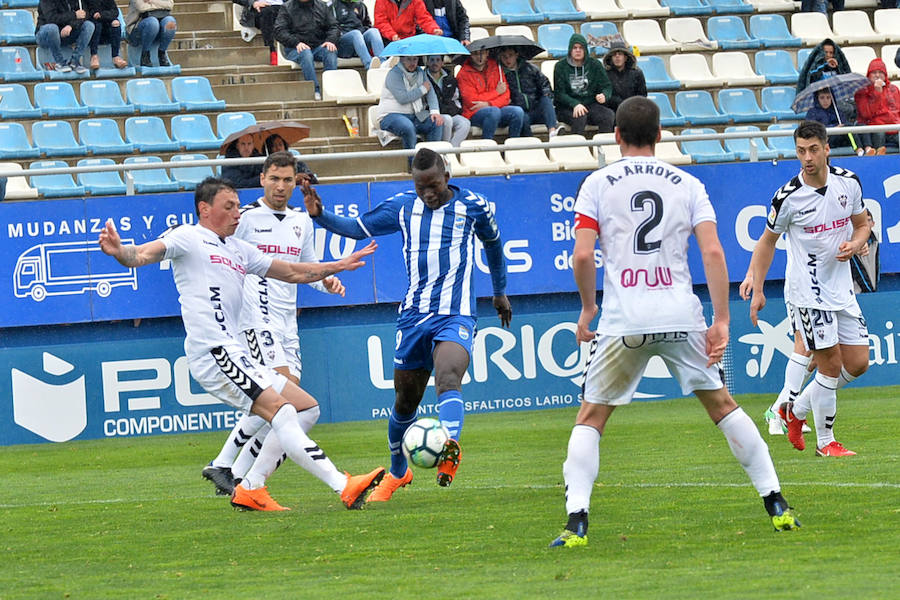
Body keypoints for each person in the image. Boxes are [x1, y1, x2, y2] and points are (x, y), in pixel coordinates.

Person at [551, 96, 798, 548]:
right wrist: (722, 319)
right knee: (723, 407)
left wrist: (588, 309)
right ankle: (776, 501)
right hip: (680, 315)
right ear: (661, 135)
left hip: (624, 319)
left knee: (591, 417)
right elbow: (713, 252)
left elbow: (583, 254)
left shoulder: (598, 183)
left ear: (617, 135)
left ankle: (576, 522)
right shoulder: (687, 183)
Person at [98, 177, 385, 510]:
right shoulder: (187, 237)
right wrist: (120, 252)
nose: (237, 214)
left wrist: (336, 265)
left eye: (237, 205)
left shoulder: (238, 248)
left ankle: (251, 487)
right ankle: (343, 485)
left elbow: (291, 271)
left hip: (234, 352)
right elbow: (141, 255)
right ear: (205, 209)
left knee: (307, 407)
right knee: (281, 410)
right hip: (214, 352)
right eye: (229, 207)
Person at [301, 147, 512, 501]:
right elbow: (356, 229)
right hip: (414, 315)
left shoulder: (473, 207)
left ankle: (449, 448)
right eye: (420, 187)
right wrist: (320, 215)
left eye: (433, 185)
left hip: (455, 313)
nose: (427, 193)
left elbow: (493, 245)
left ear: (447, 177)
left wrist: (499, 291)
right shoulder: (402, 206)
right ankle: (398, 472)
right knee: (405, 402)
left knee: (448, 377)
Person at [201, 152, 345, 507]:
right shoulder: (245, 218)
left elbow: (305, 268)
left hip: (286, 324)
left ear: (296, 182)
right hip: (255, 318)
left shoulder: (301, 222)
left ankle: (232, 473)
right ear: (262, 178)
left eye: (288, 180)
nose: (281, 187)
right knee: (283, 402)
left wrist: (327, 281)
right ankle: (231, 469)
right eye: (275, 179)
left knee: (283, 404)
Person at [741, 120, 870, 458]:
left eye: (813, 150)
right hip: (809, 293)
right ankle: (826, 443)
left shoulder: (849, 183)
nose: (807, 158)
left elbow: (862, 224)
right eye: (801, 151)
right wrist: (757, 287)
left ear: (827, 148)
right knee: (828, 364)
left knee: (857, 363)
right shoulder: (788, 197)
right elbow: (766, 243)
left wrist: (856, 244)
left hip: (842, 289)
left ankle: (793, 409)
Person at [376, 55, 444, 164]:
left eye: (415, 59)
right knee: (407, 127)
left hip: (414, 115)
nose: (412, 63)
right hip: (390, 116)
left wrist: (435, 112)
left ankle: (432, 163)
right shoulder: (393, 74)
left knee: (437, 122)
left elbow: (430, 92)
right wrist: (422, 89)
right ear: (401, 59)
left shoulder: (421, 73)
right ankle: (413, 166)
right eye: (408, 59)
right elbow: (403, 98)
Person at [274, 0, 339, 101]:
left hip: (317, 46)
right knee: (305, 53)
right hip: (294, 48)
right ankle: (315, 90)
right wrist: (296, 43)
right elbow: (279, 31)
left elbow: (334, 27)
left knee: (330, 50)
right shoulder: (286, 8)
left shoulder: (322, 6)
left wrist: (330, 40)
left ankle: (331, 89)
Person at [553, 33, 615, 137]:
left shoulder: (595, 64)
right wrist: (575, 104)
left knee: (608, 115)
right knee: (580, 116)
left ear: (585, 49)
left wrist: (604, 95)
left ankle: (603, 147)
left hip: (590, 104)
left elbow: (607, 86)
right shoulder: (560, 66)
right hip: (567, 107)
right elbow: (559, 94)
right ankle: (576, 148)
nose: (578, 50)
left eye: (581, 48)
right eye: (575, 48)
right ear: (570, 50)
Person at [457, 48, 525, 140]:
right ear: (470, 55)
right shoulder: (463, 73)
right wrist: (496, 92)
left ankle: (512, 145)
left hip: (497, 109)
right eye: (476, 54)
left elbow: (506, 96)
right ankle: (487, 145)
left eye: (482, 53)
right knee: (493, 112)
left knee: (517, 111)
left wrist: (489, 104)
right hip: (474, 113)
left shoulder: (496, 67)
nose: (479, 57)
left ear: (487, 53)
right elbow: (472, 101)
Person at [498, 46, 561, 138]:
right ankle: (531, 144)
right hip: (520, 111)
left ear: (516, 55)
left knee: (546, 100)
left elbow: (544, 84)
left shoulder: (531, 68)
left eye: (510, 55)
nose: (508, 59)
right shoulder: (499, 74)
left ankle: (552, 132)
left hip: (535, 108)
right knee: (523, 118)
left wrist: (546, 94)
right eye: (504, 57)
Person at [853, 58, 900, 155]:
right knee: (879, 133)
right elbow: (866, 114)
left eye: (880, 72)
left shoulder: (893, 89)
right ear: (869, 75)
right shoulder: (862, 91)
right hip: (875, 128)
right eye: (874, 72)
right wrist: (877, 93)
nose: (877, 75)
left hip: (895, 127)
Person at [35, 0, 95, 73]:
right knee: (52, 28)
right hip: (46, 36)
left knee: (89, 25)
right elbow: (51, 18)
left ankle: (75, 61)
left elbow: (84, 15)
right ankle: (60, 62)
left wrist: (71, 26)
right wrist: (74, 15)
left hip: (67, 34)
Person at [425, 54, 470, 147]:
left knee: (465, 123)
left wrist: (455, 110)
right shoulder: (423, 77)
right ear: (427, 62)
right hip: (431, 114)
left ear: (442, 62)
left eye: (438, 60)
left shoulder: (450, 78)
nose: (435, 63)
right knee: (447, 120)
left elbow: (456, 99)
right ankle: (445, 149)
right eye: (432, 60)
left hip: (449, 111)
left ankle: (451, 150)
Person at [331, 0, 384, 70]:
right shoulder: (332, 6)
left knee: (374, 31)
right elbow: (331, 28)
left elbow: (367, 24)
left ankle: (383, 63)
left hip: (360, 43)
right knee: (356, 33)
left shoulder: (361, 5)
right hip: (343, 46)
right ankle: (369, 65)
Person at [124, 0, 177, 68]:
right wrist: (161, 4)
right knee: (153, 22)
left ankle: (162, 53)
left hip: (159, 27)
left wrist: (152, 1)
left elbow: (170, 5)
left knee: (170, 22)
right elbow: (142, 7)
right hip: (136, 30)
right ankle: (145, 55)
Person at [233, 0, 284, 66]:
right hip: (258, 9)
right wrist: (253, 3)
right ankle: (271, 51)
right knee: (266, 12)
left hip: (282, 7)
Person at [602, 41, 647, 113]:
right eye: (614, 55)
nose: (617, 56)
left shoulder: (637, 73)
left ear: (625, 57)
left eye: (620, 54)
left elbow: (642, 95)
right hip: (612, 110)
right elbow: (605, 96)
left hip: (633, 109)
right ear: (611, 58)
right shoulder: (605, 74)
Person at [374, 0, 441, 43]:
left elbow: (424, 18)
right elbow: (380, 22)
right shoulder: (381, 1)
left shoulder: (415, 1)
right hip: (387, 39)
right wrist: (392, 35)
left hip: (409, 39)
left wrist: (434, 29)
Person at [87, 0, 128, 70]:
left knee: (116, 23)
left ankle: (116, 57)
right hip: (93, 30)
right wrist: (94, 15)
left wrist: (101, 15)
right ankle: (94, 56)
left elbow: (115, 12)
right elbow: (86, 13)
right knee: (96, 25)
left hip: (106, 27)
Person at [850, 209, 879, 294]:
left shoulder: (875, 239)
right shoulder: (851, 240)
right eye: (864, 221)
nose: (866, 223)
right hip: (855, 289)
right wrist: (867, 288)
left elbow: (876, 264)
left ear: (873, 223)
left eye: (869, 220)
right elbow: (856, 267)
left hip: (872, 288)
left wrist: (874, 286)